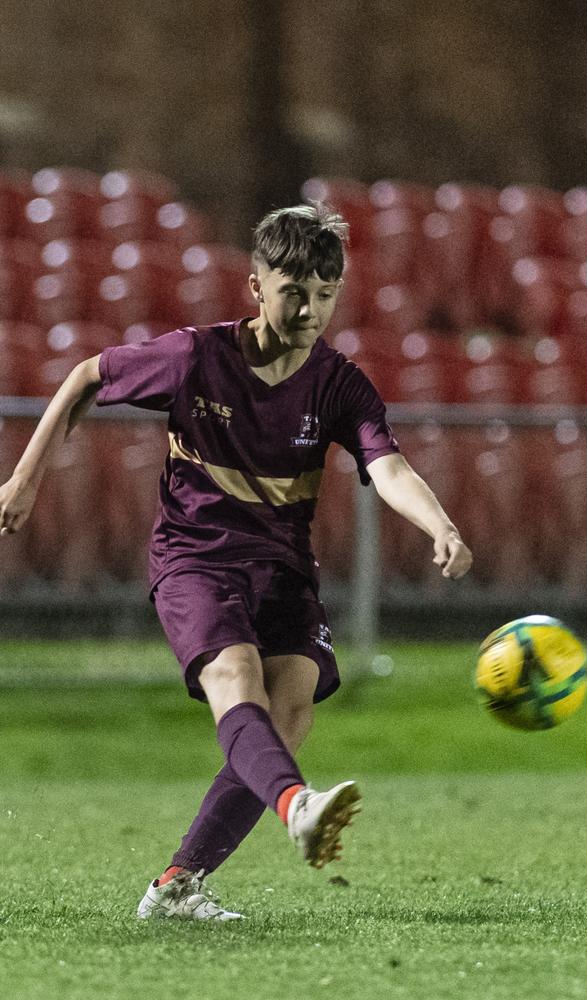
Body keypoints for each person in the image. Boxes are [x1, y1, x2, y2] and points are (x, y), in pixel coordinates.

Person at [0, 202, 473, 922]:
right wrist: (25, 480)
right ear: (255, 286)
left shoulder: (339, 384)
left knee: (289, 716)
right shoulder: (197, 358)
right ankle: (299, 806)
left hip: (283, 569)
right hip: (197, 558)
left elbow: (390, 466)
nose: (309, 308)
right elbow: (87, 376)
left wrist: (439, 523)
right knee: (236, 678)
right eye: (293, 292)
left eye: (323, 294)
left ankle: (175, 886)